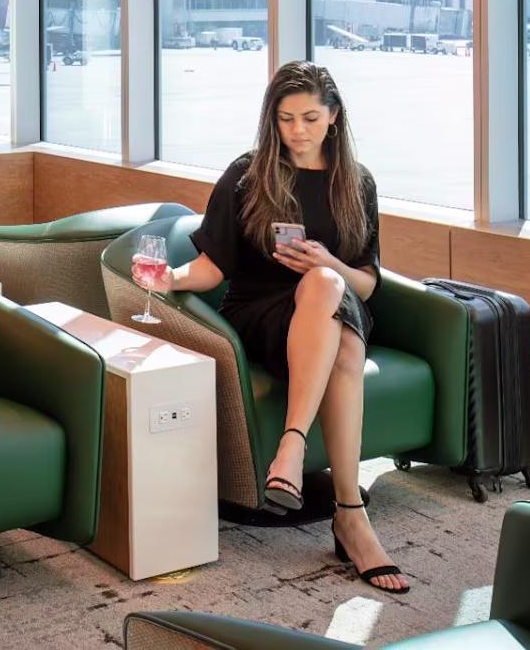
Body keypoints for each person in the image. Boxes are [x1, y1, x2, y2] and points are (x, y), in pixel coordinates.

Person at [166, 60, 408, 593]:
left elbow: (366, 285)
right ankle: (349, 513)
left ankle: (299, 455)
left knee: (328, 293)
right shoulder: (248, 175)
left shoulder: (357, 183)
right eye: (285, 119)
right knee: (340, 334)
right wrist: (171, 277)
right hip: (260, 314)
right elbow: (213, 267)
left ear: (334, 118)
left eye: (310, 118)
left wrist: (330, 263)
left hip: (337, 305)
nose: (297, 131)